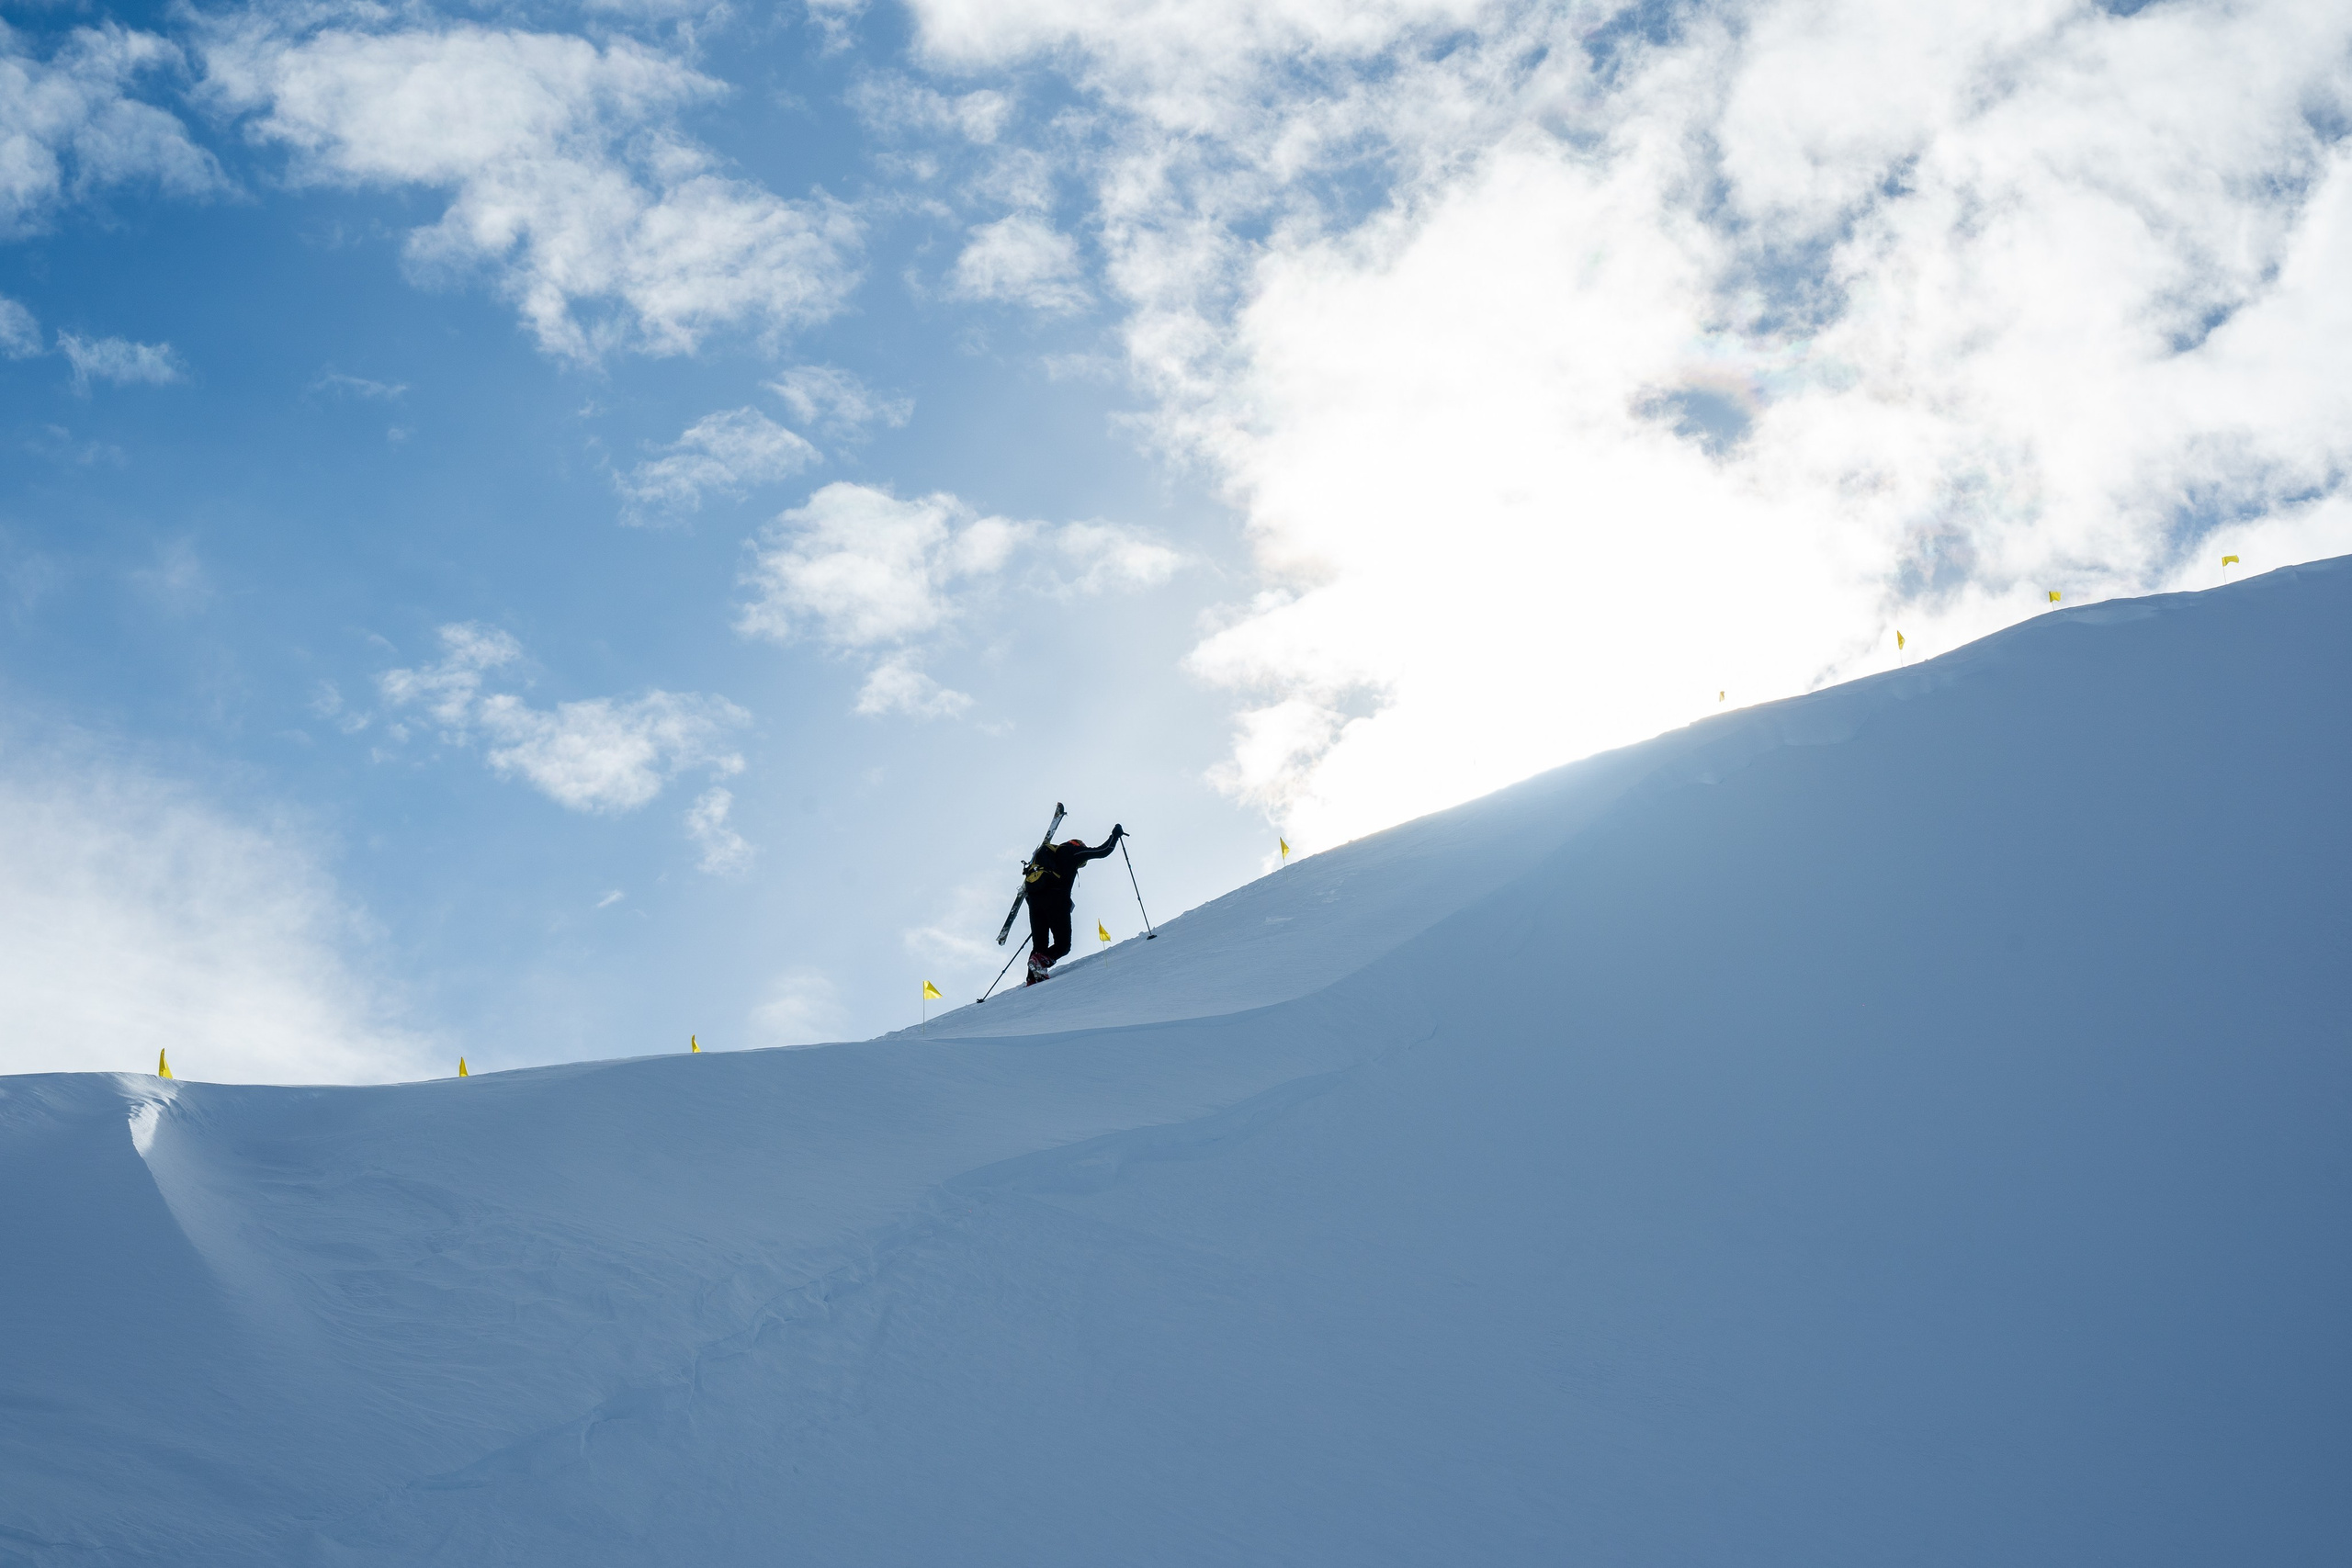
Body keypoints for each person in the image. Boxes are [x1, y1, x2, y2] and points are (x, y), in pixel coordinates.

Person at [1024, 826, 1124, 984]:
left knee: (1039, 946)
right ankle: (1041, 963)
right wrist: (1115, 835)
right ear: (1078, 844)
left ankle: (1032, 978)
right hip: (1056, 900)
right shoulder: (1073, 851)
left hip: (1034, 901)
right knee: (1063, 945)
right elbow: (1103, 851)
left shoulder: (1047, 858)